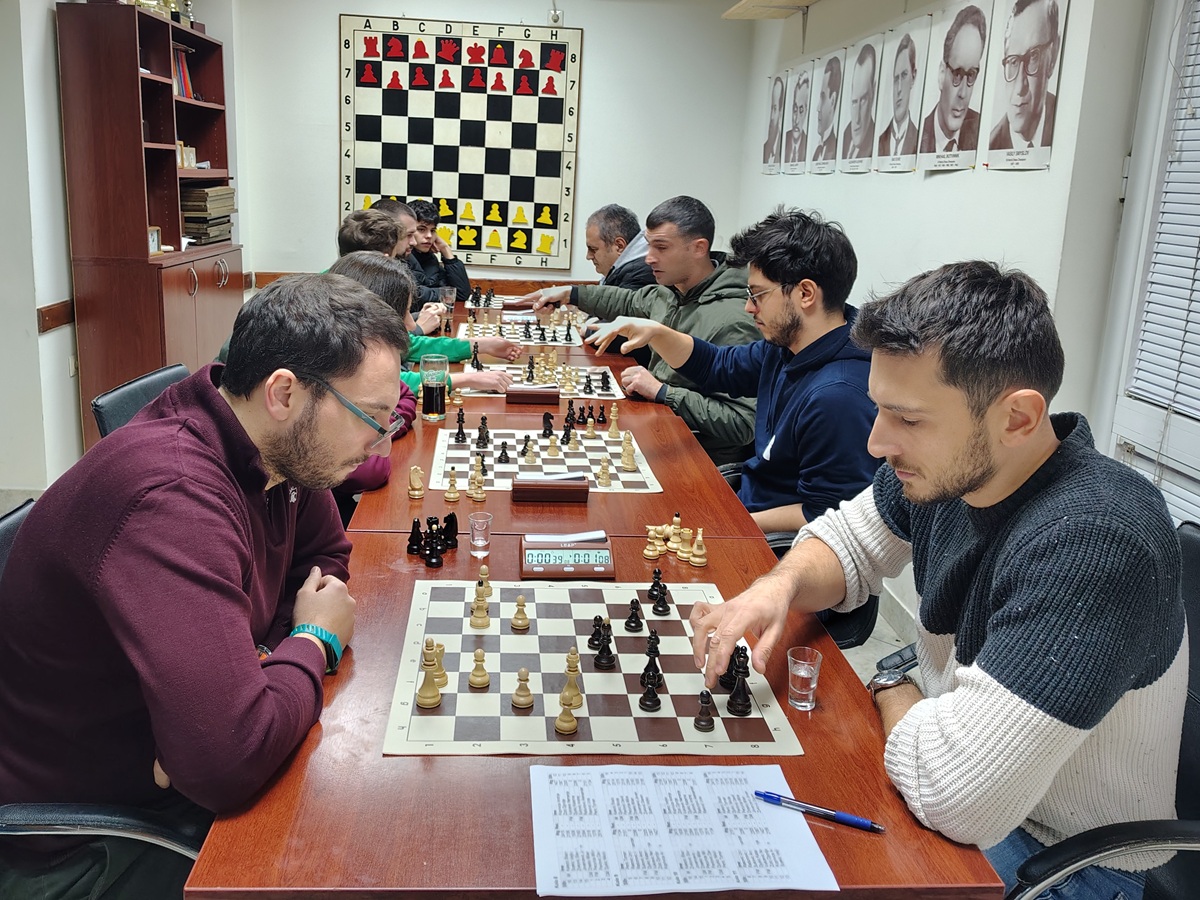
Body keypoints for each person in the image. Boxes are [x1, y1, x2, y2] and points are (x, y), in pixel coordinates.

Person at [691, 261, 1187, 900]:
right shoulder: (958, 470)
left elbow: (956, 796)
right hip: (965, 790)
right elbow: (848, 542)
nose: (877, 443)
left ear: (1017, 417)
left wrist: (893, 686)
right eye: (880, 409)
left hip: (1061, 858)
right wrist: (775, 588)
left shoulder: (1098, 540)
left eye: (908, 419)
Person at [0, 274, 412, 898]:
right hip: (86, 840)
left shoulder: (280, 449)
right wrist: (312, 640)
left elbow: (325, 558)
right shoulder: (172, 499)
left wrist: (255, 671)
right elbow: (228, 762)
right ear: (284, 393)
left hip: (182, 770)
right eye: (369, 417)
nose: (379, 442)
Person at [589, 207, 878, 534]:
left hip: (774, 540)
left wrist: (726, 524)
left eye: (758, 295)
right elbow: (718, 366)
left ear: (806, 293)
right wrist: (657, 332)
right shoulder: (788, 346)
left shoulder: (838, 396)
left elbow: (829, 515)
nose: (748, 307)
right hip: (746, 500)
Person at [527, 196, 758, 465]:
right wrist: (570, 293)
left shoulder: (734, 319)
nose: (648, 258)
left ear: (698, 248)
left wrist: (662, 391)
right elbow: (626, 300)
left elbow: (742, 424)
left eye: (661, 247)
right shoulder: (670, 292)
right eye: (649, 245)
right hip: (659, 430)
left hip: (698, 460)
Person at [335, 209, 521, 368]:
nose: (413, 242)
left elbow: (406, 344)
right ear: (381, 258)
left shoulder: (352, 281)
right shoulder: (349, 295)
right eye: (409, 235)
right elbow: (390, 368)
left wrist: (480, 345)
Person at [989, 0, 1059, 150]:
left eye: (1033, 57)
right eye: (1013, 61)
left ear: (1053, 55)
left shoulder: (1067, 123)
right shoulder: (992, 146)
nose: (1020, 87)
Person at [920, 5, 986, 153]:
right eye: (957, 74)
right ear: (942, 73)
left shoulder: (983, 133)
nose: (963, 93)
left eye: (971, 75)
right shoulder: (917, 137)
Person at [403, 198, 473, 304]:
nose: (429, 236)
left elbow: (461, 293)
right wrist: (445, 293)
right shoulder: (400, 256)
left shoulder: (429, 257)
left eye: (433, 230)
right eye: (421, 229)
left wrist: (445, 249)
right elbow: (413, 294)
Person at [585, 204, 655, 290]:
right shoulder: (629, 272)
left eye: (593, 249)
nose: (588, 256)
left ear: (619, 246)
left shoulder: (637, 277)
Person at [878, 33, 919, 156]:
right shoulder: (880, 142)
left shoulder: (919, 139)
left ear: (913, 77)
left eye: (904, 75)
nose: (899, 89)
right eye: (896, 79)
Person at [842, 44, 877, 160]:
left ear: (873, 93)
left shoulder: (876, 143)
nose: (856, 119)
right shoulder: (844, 136)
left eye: (863, 101)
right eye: (854, 102)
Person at [812, 56, 841, 162]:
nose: (818, 108)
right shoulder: (817, 151)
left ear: (832, 100)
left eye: (823, 98)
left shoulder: (834, 151)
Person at [783, 69, 810, 164]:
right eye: (795, 110)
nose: (796, 119)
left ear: (806, 111)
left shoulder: (809, 145)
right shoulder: (783, 142)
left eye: (801, 111)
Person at [762, 75, 785, 165]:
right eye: (771, 108)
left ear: (780, 112)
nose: (771, 117)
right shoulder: (765, 147)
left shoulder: (784, 147)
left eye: (775, 109)